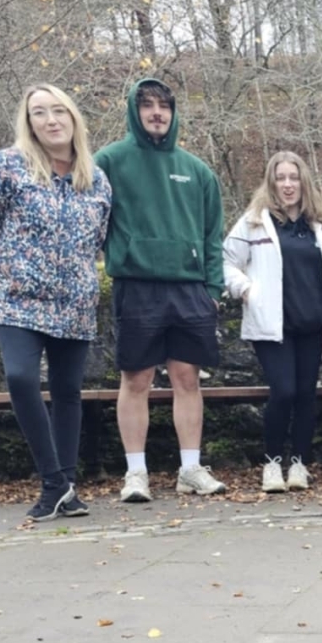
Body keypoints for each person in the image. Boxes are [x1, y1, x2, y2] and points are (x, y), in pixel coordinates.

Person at [0, 84, 111, 522]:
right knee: (20, 378)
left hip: (74, 301)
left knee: (68, 392)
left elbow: (100, 238)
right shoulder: (9, 166)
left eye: (58, 111)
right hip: (17, 299)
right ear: (28, 123)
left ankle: (65, 489)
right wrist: (7, 273)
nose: (50, 120)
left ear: (73, 118)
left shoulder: (97, 178)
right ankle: (53, 481)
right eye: (39, 113)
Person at [97, 78, 226, 502]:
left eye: (164, 106)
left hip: (189, 291)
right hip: (137, 286)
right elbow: (90, 219)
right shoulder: (110, 161)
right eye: (147, 104)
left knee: (188, 379)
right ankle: (136, 473)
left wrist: (212, 288)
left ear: (173, 112)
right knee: (136, 379)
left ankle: (190, 468)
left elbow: (212, 235)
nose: (156, 112)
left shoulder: (198, 170)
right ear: (134, 110)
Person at [223, 151, 322, 493]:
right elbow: (226, 261)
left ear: (303, 182)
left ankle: (300, 464)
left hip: (311, 324)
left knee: (306, 394)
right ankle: (273, 463)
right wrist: (245, 289)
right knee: (284, 391)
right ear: (271, 182)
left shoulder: (317, 227)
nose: (288, 184)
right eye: (281, 178)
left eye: (294, 177)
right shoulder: (254, 221)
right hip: (272, 326)